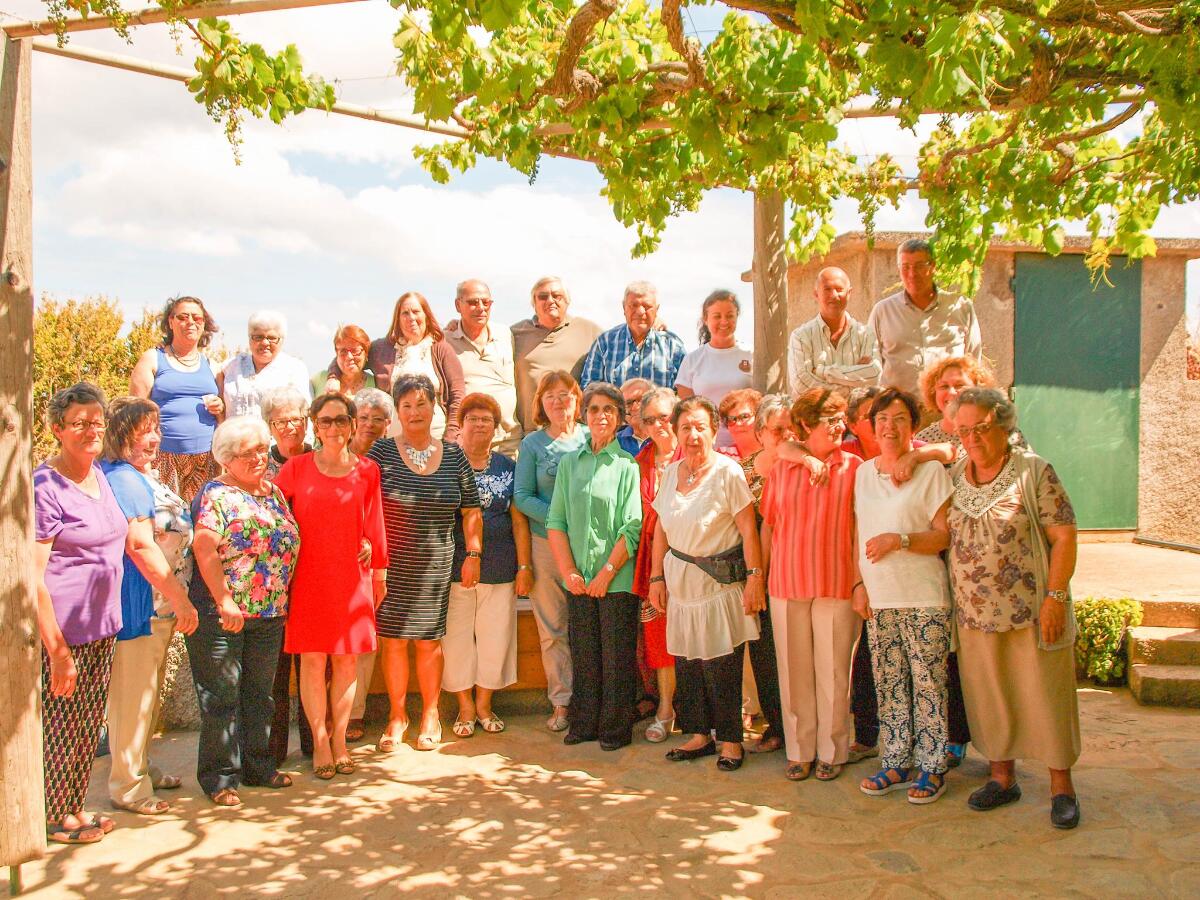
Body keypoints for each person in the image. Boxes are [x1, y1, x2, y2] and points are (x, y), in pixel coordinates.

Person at [946, 388, 1082, 829]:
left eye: (981, 428)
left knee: (1046, 696)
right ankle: (1002, 778)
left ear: (1003, 424)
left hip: (1031, 610)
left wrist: (1056, 596)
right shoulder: (953, 476)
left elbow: (1064, 537)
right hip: (972, 614)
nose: (973, 439)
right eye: (964, 430)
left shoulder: (1034, 471)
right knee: (990, 695)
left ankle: (1062, 786)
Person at [647, 396, 766, 771]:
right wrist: (656, 578)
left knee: (722, 664)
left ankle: (730, 740)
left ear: (714, 429)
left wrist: (754, 579)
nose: (693, 434)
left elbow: (749, 530)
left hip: (718, 585)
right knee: (688, 663)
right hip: (681, 586)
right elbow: (660, 532)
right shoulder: (671, 473)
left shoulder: (728, 472)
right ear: (676, 432)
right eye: (686, 427)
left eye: (700, 426)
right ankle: (698, 734)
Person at [186, 416, 300, 806]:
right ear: (226, 458)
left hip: (269, 611)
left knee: (259, 694)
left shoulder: (274, 493)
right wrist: (224, 599)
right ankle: (220, 777)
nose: (257, 458)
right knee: (221, 696)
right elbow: (204, 548)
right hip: (225, 613)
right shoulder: (215, 494)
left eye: (259, 449)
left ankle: (257, 765)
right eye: (245, 453)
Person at [275, 393, 388, 780]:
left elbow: (375, 522)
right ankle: (319, 741)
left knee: (346, 661)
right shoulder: (295, 468)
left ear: (353, 424)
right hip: (307, 575)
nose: (335, 427)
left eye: (342, 420)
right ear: (314, 425)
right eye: (326, 421)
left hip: (351, 576)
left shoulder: (368, 470)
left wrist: (378, 568)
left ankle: (340, 739)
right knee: (311, 660)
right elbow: (270, 513)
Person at [368, 374, 482, 752]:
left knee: (429, 642)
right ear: (397, 412)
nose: (414, 411)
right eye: (406, 405)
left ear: (434, 407)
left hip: (436, 563)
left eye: (421, 403)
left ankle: (431, 713)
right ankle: (397, 715)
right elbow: (362, 507)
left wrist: (474, 553)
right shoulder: (381, 453)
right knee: (395, 642)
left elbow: (471, 509)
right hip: (391, 565)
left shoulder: (453, 454)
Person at [34, 384, 127, 844]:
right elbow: (31, 576)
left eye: (97, 421)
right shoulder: (44, 486)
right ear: (57, 429)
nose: (91, 430)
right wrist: (56, 649)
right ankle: (53, 817)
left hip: (101, 625)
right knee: (59, 726)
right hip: (64, 633)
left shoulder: (97, 475)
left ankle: (72, 805)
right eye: (80, 423)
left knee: (86, 724)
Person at [852, 388, 954, 805]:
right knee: (889, 681)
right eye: (881, 420)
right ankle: (895, 758)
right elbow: (855, 534)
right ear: (871, 428)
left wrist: (901, 540)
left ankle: (932, 765)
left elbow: (943, 536)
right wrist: (857, 585)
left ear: (913, 426)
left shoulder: (931, 473)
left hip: (924, 596)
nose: (889, 428)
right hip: (880, 596)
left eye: (898, 419)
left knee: (928, 683)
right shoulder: (862, 473)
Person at [100, 397, 199, 815]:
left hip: (158, 607)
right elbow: (140, 546)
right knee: (132, 698)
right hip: (139, 605)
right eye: (142, 430)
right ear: (118, 435)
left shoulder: (143, 476)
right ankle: (129, 787)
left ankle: (140, 765)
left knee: (148, 695)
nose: (153, 437)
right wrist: (181, 600)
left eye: (155, 428)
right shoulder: (122, 477)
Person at [760, 389, 863, 782]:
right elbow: (768, 526)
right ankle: (799, 750)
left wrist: (858, 583)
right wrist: (759, 578)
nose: (839, 426)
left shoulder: (854, 467)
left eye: (841, 418)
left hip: (836, 584)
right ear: (806, 425)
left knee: (835, 673)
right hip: (786, 583)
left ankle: (832, 751)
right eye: (829, 419)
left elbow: (859, 531)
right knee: (794, 672)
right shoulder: (782, 469)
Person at [547, 383, 642, 750]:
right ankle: (584, 723)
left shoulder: (626, 466)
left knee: (616, 657)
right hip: (578, 581)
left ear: (619, 418)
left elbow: (632, 527)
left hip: (615, 580)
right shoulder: (571, 463)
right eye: (594, 409)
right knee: (584, 653)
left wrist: (606, 574)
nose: (601, 415)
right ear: (583, 416)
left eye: (608, 410)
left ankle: (615, 730)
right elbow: (556, 521)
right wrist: (570, 572)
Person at [445, 394, 533, 736]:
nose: (480, 424)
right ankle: (464, 708)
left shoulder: (507, 468)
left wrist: (524, 566)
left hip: (500, 566)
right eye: (473, 419)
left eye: (487, 420)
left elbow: (519, 521)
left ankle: (484, 704)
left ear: (496, 429)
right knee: (457, 640)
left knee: (496, 639)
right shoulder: (448, 463)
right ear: (461, 426)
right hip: (456, 568)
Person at [513, 370, 588, 732]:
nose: (559, 402)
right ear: (541, 403)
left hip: (590, 547)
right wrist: (559, 520)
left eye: (566, 394)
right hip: (546, 546)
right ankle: (561, 702)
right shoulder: (532, 444)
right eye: (550, 396)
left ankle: (592, 701)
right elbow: (522, 497)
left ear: (578, 399)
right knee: (553, 629)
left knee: (589, 627)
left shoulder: (592, 438)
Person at [717, 389, 786, 755]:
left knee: (786, 654)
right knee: (761, 651)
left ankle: (794, 728)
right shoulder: (738, 471)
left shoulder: (790, 463)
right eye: (734, 419)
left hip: (786, 568)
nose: (741, 423)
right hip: (749, 571)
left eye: (747, 416)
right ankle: (772, 723)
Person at [259, 385, 315, 764]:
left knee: (314, 665)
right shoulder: (258, 463)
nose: (290, 427)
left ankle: (316, 745)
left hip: (315, 573)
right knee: (274, 669)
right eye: (281, 420)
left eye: (296, 418)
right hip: (272, 580)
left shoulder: (321, 458)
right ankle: (273, 750)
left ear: (307, 421)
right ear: (270, 425)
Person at [130, 296, 223, 501]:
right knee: (165, 524)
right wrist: (141, 459)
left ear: (204, 325)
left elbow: (223, 417)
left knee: (200, 522)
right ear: (170, 322)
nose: (190, 322)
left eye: (197, 318)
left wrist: (220, 406)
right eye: (183, 316)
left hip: (205, 459)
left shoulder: (213, 365)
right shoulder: (153, 358)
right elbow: (133, 412)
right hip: (161, 457)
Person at [867, 238, 983, 397]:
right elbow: (871, 363)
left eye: (920, 266)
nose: (912, 274)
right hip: (901, 410)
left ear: (933, 266)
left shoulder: (960, 307)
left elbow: (973, 359)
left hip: (948, 406)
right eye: (905, 267)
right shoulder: (883, 311)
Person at [631, 387, 680, 742]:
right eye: (650, 419)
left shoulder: (695, 456)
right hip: (652, 563)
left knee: (697, 638)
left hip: (691, 560)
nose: (659, 425)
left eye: (665, 416)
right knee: (658, 638)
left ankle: (700, 711)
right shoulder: (640, 462)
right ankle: (665, 707)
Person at [345, 387, 394, 740]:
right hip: (337, 561)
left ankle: (354, 713)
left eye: (378, 419)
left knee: (365, 639)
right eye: (363, 418)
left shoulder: (390, 459)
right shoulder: (334, 458)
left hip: (379, 562)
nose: (370, 426)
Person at [512, 275, 603, 434]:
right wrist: (456, 325)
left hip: (575, 434)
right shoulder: (515, 333)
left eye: (557, 296)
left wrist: (654, 324)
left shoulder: (589, 331)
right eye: (542, 296)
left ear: (567, 301)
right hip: (529, 434)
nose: (550, 300)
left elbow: (620, 344)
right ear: (534, 303)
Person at [444, 280, 520, 457]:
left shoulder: (506, 334)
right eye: (472, 302)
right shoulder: (445, 341)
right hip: (467, 444)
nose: (481, 308)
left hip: (508, 442)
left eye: (486, 302)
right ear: (458, 305)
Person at [676, 290, 753, 448]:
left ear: (737, 316)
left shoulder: (752, 354)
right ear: (705, 319)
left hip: (746, 444)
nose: (724, 321)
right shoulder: (692, 360)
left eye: (729, 315)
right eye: (717, 316)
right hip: (705, 446)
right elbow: (687, 410)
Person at [788, 267, 881, 397]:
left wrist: (821, 372)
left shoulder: (865, 334)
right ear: (816, 294)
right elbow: (801, 385)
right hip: (813, 416)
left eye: (839, 289)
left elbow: (874, 376)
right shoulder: (801, 336)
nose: (834, 295)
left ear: (849, 293)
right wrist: (853, 386)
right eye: (827, 289)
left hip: (855, 417)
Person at [386, 292, 466, 441]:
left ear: (426, 315)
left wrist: (451, 438)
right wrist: (333, 377)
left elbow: (458, 396)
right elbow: (353, 354)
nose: (411, 318)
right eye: (405, 313)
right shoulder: (384, 349)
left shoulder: (441, 349)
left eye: (416, 312)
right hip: (396, 442)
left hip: (436, 439)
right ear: (397, 319)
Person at [580, 281, 686, 389]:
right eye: (634, 305)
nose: (640, 311)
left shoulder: (673, 346)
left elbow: (684, 394)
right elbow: (588, 389)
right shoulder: (605, 343)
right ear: (624, 308)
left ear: (656, 309)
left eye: (647, 306)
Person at [915, 355, 1028, 456]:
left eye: (959, 385)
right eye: (943, 386)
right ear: (933, 393)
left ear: (979, 389)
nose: (951, 393)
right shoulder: (924, 438)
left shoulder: (1001, 432)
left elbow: (1029, 471)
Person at [217, 310, 311, 419]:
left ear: (282, 340)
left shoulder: (294, 369)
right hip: (233, 434)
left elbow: (303, 412)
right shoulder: (234, 365)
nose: (265, 343)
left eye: (272, 338)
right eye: (258, 337)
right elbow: (216, 372)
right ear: (249, 338)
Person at [311, 325, 377, 398]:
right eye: (343, 351)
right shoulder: (319, 379)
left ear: (366, 353)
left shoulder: (376, 386)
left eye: (355, 350)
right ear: (336, 353)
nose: (349, 357)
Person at [262, 386, 313, 481]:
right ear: (269, 427)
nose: (289, 427)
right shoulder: (260, 468)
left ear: (306, 423)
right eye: (281, 422)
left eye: (296, 419)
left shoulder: (321, 463)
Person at [616, 377, 654, 456]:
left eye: (642, 400)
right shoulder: (615, 442)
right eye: (628, 403)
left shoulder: (666, 437)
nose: (636, 407)